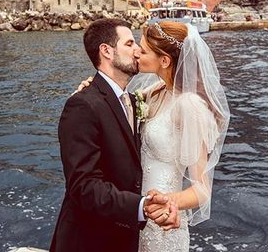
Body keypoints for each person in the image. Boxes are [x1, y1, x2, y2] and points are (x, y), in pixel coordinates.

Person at [75, 21, 230, 251]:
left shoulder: (189, 105)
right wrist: (92, 88)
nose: (136, 51)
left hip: (163, 218)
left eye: (143, 49)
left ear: (164, 61)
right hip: (135, 215)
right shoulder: (155, 92)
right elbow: (118, 104)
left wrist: (166, 202)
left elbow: (202, 190)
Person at [50, 18, 179, 252]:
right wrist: (141, 206)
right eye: (130, 44)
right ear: (107, 51)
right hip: (90, 241)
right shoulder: (82, 105)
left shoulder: (132, 100)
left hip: (124, 238)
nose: (138, 51)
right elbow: (83, 186)